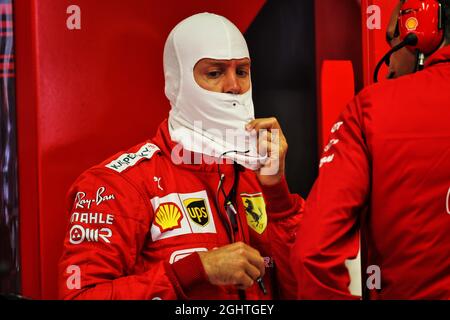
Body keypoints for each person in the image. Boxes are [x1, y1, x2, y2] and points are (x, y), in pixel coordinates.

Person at [58, 12, 304, 300]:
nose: (233, 86)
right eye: (214, 73)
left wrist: (279, 197)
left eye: (241, 72)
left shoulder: (257, 174)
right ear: (176, 83)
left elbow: (307, 288)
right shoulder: (118, 184)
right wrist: (193, 272)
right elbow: (80, 297)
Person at [292, 0, 450, 299]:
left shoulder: (371, 108)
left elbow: (313, 254)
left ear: (424, 30)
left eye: (394, 40)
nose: (389, 66)